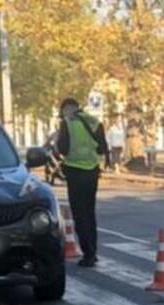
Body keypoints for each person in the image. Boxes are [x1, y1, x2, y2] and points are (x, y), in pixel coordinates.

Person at [54, 97, 110, 268]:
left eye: (63, 111)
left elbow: (63, 149)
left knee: (79, 215)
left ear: (67, 108)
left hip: (75, 172)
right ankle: (93, 251)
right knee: (89, 213)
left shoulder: (67, 123)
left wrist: (57, 145)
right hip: (92, 171)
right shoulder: (94, 121)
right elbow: (102, 147)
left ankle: (88, 254)